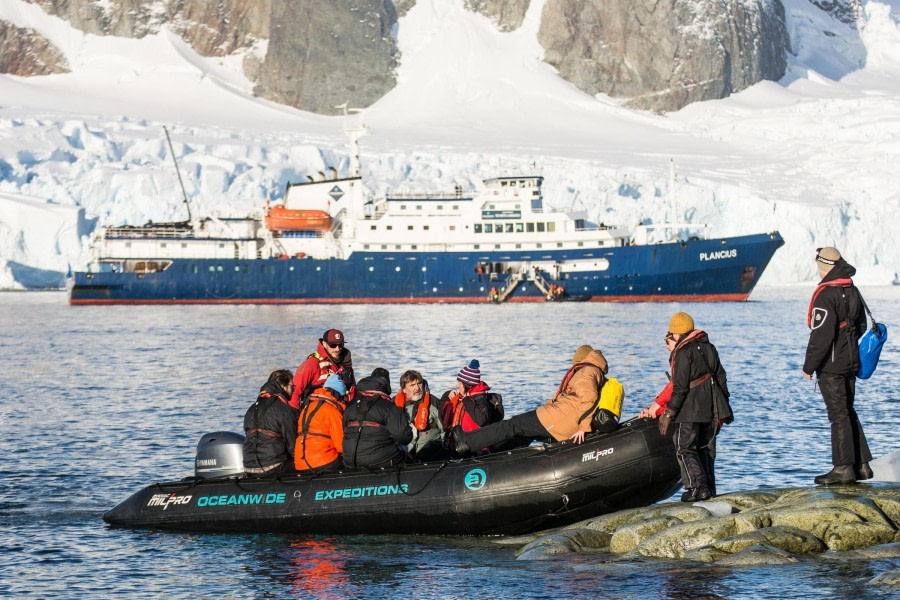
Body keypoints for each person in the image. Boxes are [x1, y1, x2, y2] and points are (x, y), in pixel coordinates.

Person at [802, 247, 872, 485]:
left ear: (823, 266)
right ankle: (861, 465)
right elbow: (861, 325)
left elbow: (820, 337)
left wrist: (809, 367)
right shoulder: (851, 288)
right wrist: (847, 343)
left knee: (838, 414)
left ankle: (843, 468)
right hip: (851, 361)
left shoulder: (826, 294)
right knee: (848, 411)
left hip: (831, 365)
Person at [453, 345, 607, 454]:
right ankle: (496, 453)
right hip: (558, 416)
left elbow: (589, 398)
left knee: (513, 425)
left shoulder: (586, 371)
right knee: (522, 430)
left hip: (561, 418)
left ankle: (468, 442)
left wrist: (583, 428)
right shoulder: (592, 371)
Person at [657, 312, 732, 502]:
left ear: (676, 333)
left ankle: (696, 487)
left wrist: (668, 413)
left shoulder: (682, 352)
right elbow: (721, 376)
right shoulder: (709, 347)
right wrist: (724, 404)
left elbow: (680, 387)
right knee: (704, 448)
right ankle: (709, 489)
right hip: (712, 408)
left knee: (684, 447)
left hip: (690, 409)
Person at [342, 374, 413, 469]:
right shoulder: (388, 406)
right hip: (380, 460)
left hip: (349, 460)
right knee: (405, 450)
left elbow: (343, 430)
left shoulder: (350, 406)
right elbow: (404, 437)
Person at [243, 369, 299, 476]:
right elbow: (293, 447)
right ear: (283, 386)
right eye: (292, 386)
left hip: (248, 467)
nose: (293, 390)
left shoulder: (251, 409)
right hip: (273, 467)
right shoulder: (285, 410)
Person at [440, 359, 504, 442]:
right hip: (460, 443)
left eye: (459, 382)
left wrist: (466, 400)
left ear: (467, 384)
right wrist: (447, 395)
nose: (457, 385)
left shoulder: (479, 399)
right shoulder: (465, 397)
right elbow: (443, 419)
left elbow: (482, 419)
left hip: (475, 447)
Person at [294, 374, 348, 473]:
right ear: (337, 395)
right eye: (342, 397)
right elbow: (341, 446)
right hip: (322, 462)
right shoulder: (332, 412)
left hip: (300, 463)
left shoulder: (306, 408)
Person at [290, 329, 355, 409]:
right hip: (318, 414)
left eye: (340, 345)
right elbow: (294, 392)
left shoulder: (346, 365)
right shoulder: (311, 364)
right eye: (333, 345)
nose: (337, 349)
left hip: (343, 412)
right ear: (324, 344)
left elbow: (353, 390)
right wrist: (294, 416)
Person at [394, 370, 444, 460]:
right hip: (404, 451)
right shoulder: (393, 405)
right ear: (404, 389)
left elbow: (444, 429)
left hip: (429, 450)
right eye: (412, 385)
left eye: (419, 383)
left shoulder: (433, 402)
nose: (417, 388)